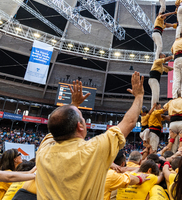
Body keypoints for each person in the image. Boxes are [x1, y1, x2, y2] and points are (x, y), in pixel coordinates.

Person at [36, 72, 144, 200]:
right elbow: (129, 122)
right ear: (80, 126)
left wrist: (73, 105)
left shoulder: (43, 150)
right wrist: (139, 96)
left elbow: (57, 124)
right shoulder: (94, 150)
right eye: (82, 118)